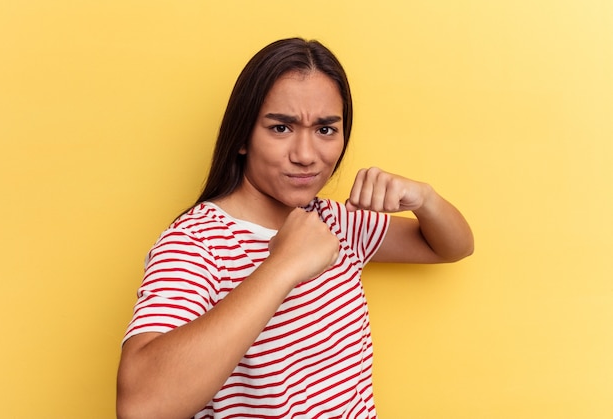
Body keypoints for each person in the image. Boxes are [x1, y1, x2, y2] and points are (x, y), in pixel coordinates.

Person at [116, 37, 474, 419]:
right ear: (241, 136)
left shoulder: (336, 221)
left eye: (325, 130)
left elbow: (451, 247)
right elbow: (141, 407)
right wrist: (283, 266)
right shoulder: (196, 244)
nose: (305, 156)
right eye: (281, 128)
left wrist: (425, 199)